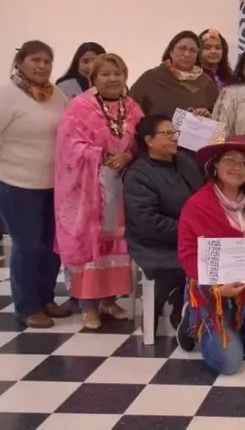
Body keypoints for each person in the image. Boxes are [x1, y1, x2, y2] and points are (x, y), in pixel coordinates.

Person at [0, 41, 72, 328]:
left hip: (52, 185)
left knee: (51, 246)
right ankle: (27, 306)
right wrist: (2, 162)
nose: (41, 66)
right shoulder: (7, 96)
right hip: (15, 186)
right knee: (27, 246)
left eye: (47, 61)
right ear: (20, 62)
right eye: (35, 60)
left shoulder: (56, 95)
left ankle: (46, 298)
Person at [177, 137, 245, 375]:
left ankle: (243, 328)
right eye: (230, 160)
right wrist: (215, 287)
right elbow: (186, 252)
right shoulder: (197, 204)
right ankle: (193, 317)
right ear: (215, 164)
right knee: (228, 364)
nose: (237, 167)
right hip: (212, 287)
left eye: (244, 162)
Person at [54, 54, 143, 329]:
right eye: (105, 74)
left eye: (118, 73)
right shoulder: (79, 107)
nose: (113, 79)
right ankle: (87, 305)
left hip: (119, 186)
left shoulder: (132, 108)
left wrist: (128, 156)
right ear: (93, 78)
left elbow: (140, 141)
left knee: (115, 245)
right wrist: (101, 156)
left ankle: (109, 300)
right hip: (86, 189)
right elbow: (69, 146)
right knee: (90, 245)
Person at [123, 114, 204, 349]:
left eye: (174, 133)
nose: (173, 138)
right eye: (166, 134)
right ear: (149, 140)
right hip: (155, 241)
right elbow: (148, 221)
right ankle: (180, 309)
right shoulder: (139, 174)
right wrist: (190, 232)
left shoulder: (185, 161)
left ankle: (193, 308)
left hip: (191, 235)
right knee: (188, 265)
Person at [129, 31, 219, 118]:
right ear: (171, 51)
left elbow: (218, 117)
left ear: (197, 56)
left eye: (193, 50)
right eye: (182, 48)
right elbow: (131, 110)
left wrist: (208, 116)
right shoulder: (151, 77)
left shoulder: (206, 83)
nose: (187, 54)